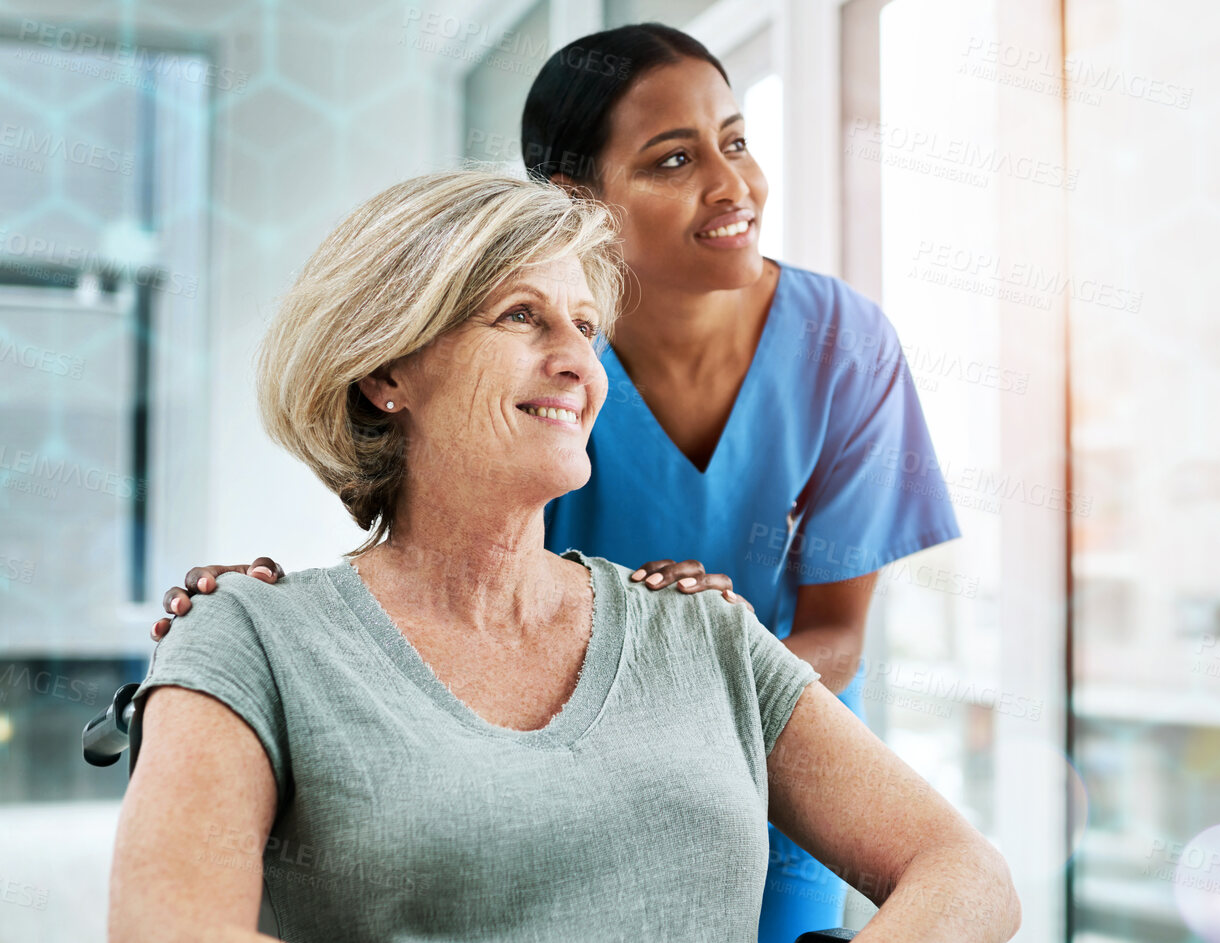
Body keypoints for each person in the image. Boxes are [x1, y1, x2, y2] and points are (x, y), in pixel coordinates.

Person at [154, 23, 964, 941]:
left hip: (740, 770)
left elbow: (950, 851)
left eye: (735, 141)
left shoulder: (832, 358)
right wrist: (270, 628)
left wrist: (705, 665)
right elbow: (459, 565)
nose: (730, 185)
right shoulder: (265, 635)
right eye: (670, 158)